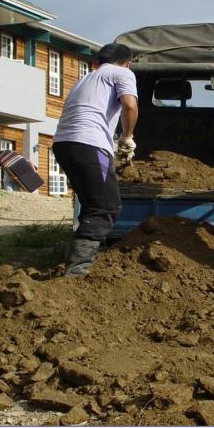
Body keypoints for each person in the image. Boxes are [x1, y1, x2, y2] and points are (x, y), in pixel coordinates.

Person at [52, 43, 138, 276]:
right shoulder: (122, 72)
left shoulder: (85, 78)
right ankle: (77, 272)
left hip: (63, 144)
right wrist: (126, 137)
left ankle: (75, 265)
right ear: (127, 62)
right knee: (105, 206)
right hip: (89, 144)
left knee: (91, 205)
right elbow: (129, 105)